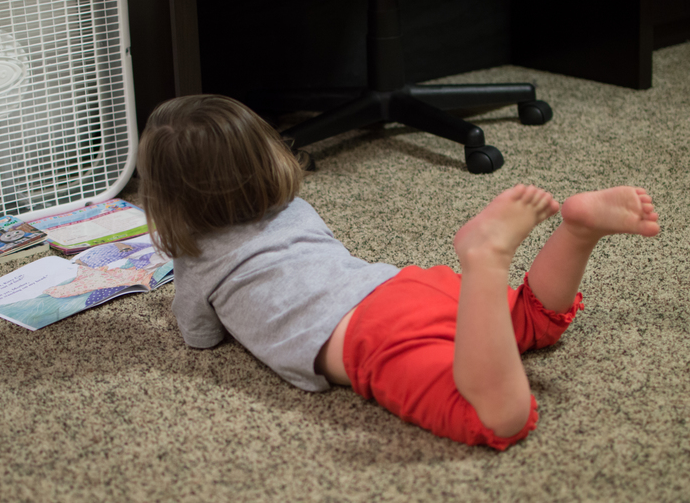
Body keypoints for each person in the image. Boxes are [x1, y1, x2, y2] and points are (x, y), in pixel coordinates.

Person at [136, 94, 660, 450]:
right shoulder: (295, 208)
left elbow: (200, 337)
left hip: (371, 335)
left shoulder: (195, 255)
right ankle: (577, 229)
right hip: (405, 286)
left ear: (165, 198)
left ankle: (486, 259)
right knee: (529, 321)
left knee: (499, 417)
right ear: (266, 153)